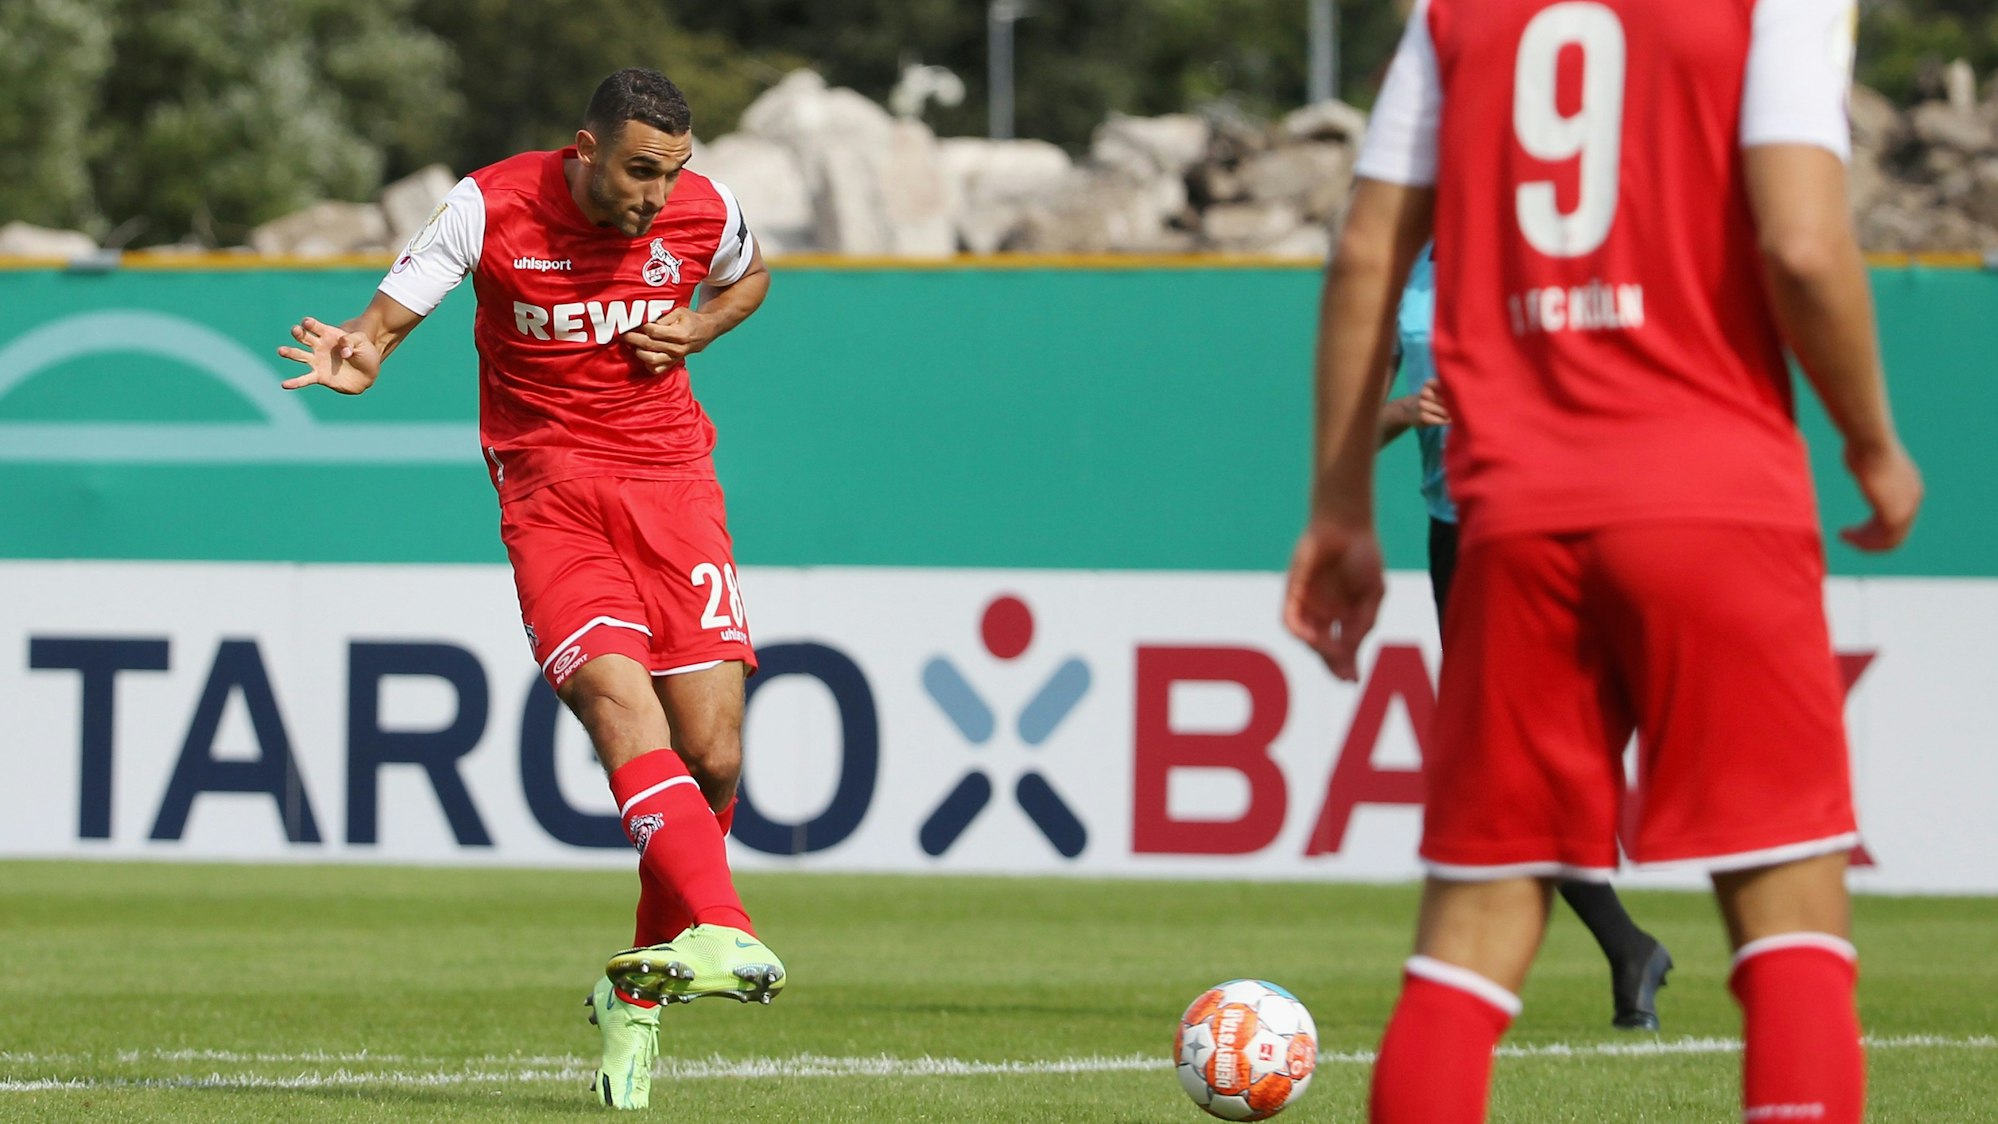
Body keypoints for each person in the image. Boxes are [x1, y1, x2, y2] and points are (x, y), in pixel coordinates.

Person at [1283, 0, 1923, 1119]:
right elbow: (1807, 247)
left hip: (1517, 517)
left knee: (1466, 944)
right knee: (1789, 931)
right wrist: (1872, 442)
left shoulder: (1455, 14)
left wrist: (1339, 508)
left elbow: (1367, 250)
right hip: (1714, 499)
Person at [278, 67, 784, 1111]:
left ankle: (634, 993)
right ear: (585, 148)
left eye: (673, 171)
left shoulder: (705, 207)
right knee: (614, 699)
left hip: (674, 485)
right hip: (551, 494)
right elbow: (391, 310)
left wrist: (697, 328)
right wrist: (360, 350)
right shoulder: (490, 203)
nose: (656, 193)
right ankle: (724, 926)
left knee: (716, 752)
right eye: (640, 169)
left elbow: (749, 275)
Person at [1380, 244, 1673, 1031]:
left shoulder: (1549, 241)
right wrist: (1405, 412)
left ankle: (1608, 951)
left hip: (1548, 522)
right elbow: (1349, 423)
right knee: (1500, 762)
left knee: (1510, 758)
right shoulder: (1400, 273)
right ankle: (1626, 947)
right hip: (1457, 537)